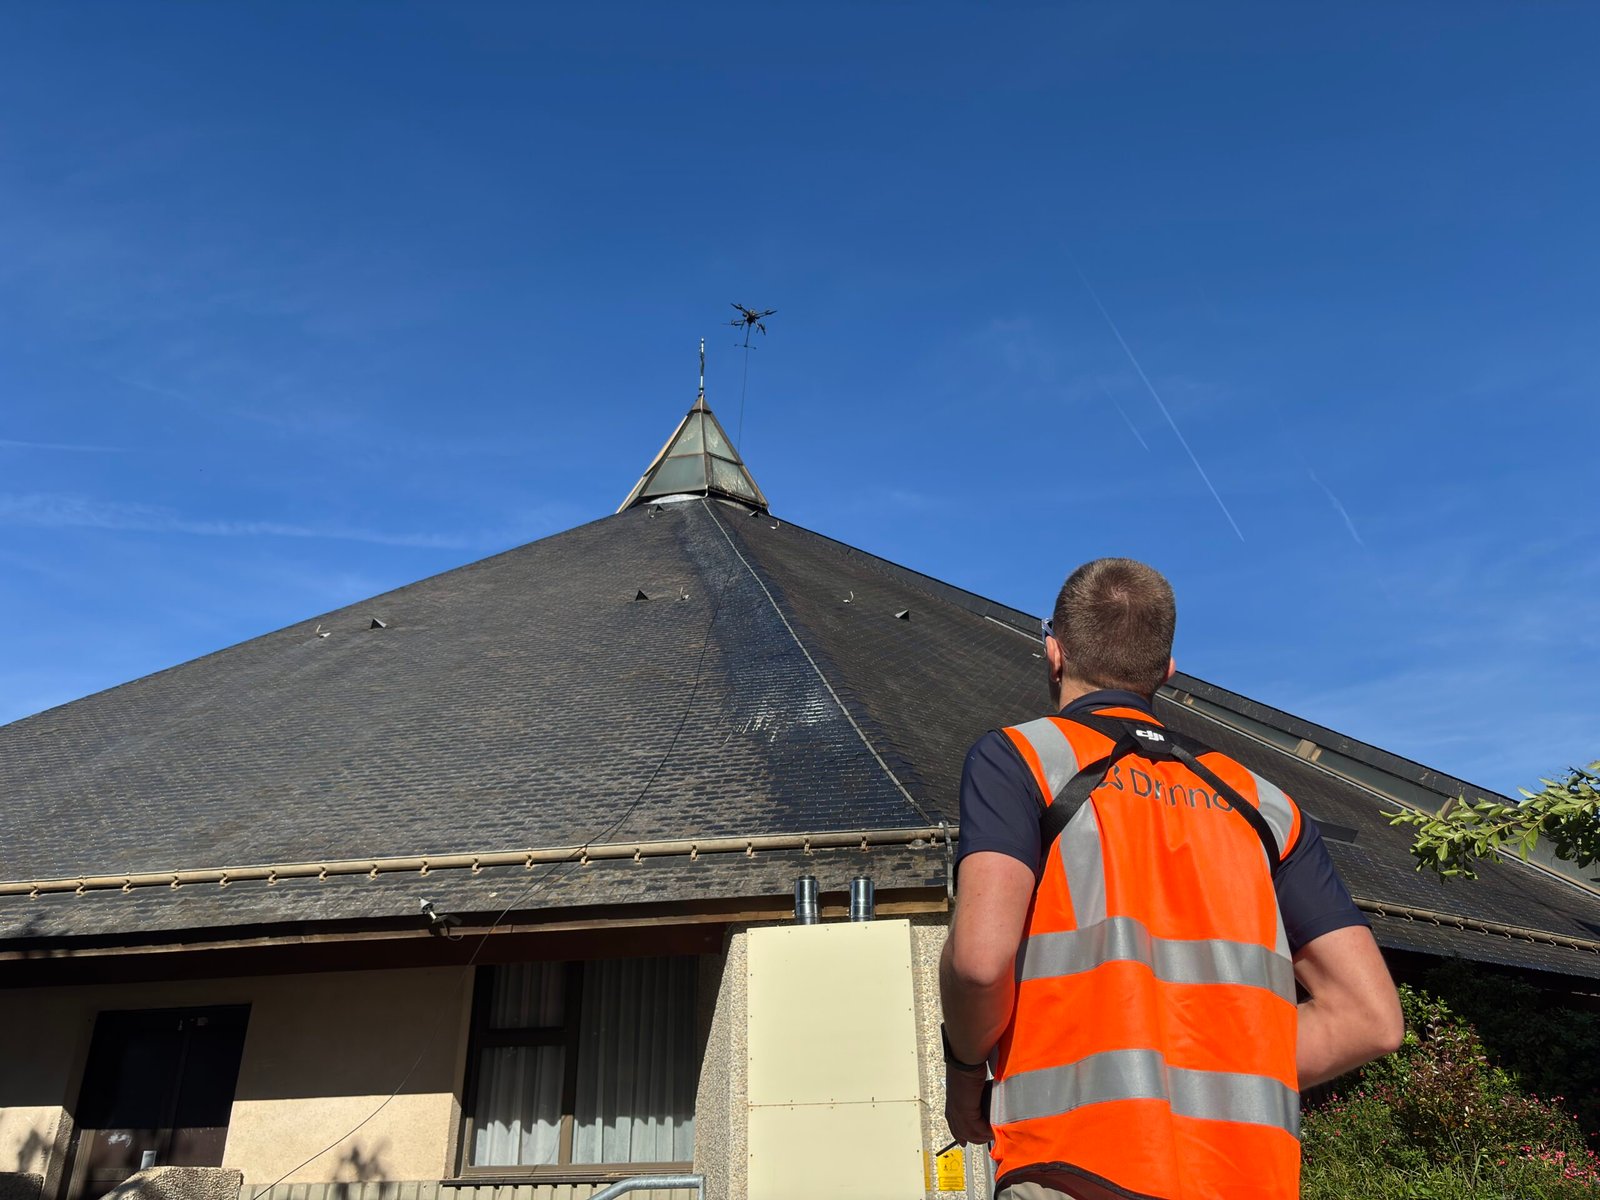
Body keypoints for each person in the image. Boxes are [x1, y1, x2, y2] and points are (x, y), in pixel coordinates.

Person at [939, 558, 1402, 1200]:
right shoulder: (1264, 805)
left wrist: (964, 1075)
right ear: (1166, 672)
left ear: (1053, 651)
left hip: (1075, 1170)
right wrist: (1206, 1072)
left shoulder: (1022, 760)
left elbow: (981, 963)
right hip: (1245, 1180)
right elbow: (1372, 1019)